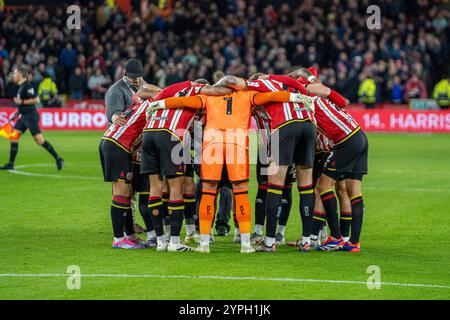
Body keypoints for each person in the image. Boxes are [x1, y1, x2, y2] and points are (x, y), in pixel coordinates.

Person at [147, 87, 310, 253]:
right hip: (237, 142)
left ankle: (204, 244)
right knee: (240, 192)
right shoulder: (248, 95)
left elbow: (182, 101)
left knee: (208, 191)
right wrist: (297, 97)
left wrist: (158, 103)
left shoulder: (208, 96)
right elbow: (272, 96)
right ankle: (245, 244)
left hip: (212, 142)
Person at [141, 80, 231, 252]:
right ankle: (174, 242)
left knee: (155, 187)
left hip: (149, 132)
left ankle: (160, 241)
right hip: (170, 134)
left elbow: (146, 93)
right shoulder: (195, 92)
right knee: (176, 187)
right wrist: (239, 86)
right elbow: (214, 90)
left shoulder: (173, 90)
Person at [1, 65, 63, 171]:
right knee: (13, 137)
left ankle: (58, 159)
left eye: (15, 73)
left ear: (21, 74)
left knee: (39, 141)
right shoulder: (20, 87)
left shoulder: (27, 86)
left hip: (31, 117)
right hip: (23, 116)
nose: (14, 75)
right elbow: (23, 103)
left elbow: (36, 100)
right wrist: (18, 110)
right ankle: (11, 164)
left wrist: (22, 102)